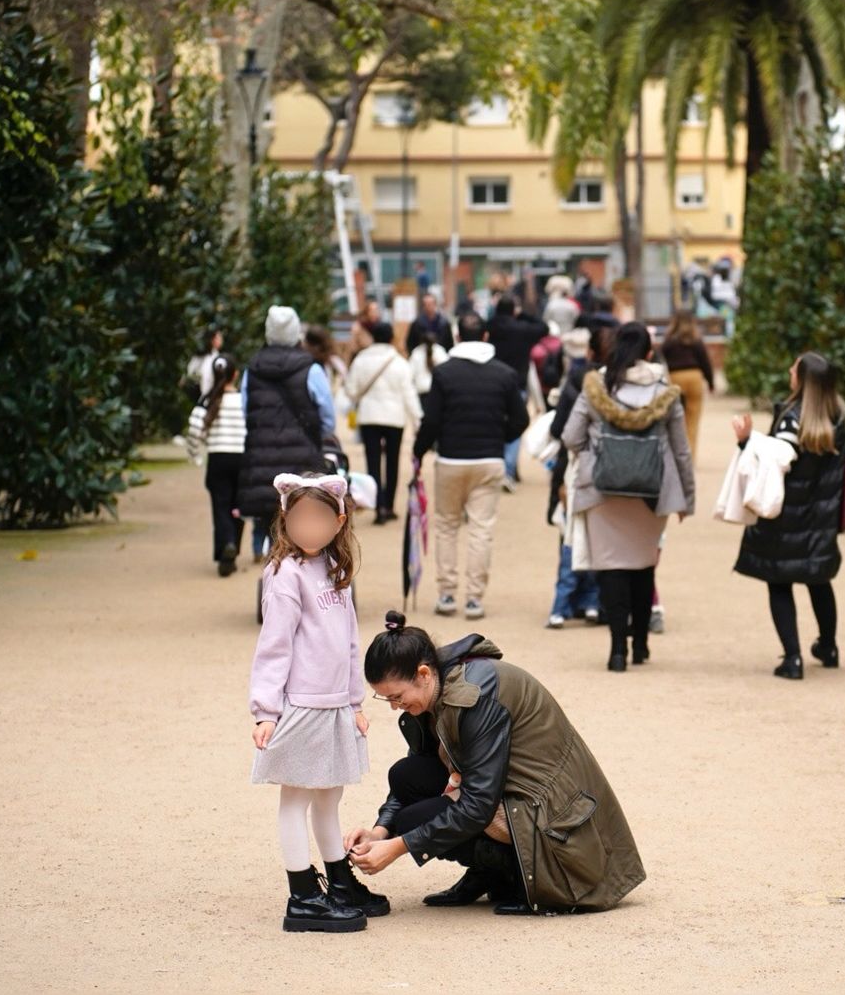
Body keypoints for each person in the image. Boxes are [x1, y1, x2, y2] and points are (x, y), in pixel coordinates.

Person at [345, 612, 645, 915]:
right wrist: (381, 831)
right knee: (405, 775)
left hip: (555, 822)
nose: (396, 706)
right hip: (514, 794)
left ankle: (510, 873)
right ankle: (488, 870)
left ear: (423, 673)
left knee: (414, 823)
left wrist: (398, 846)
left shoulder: (474, 696)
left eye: (397, 696)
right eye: (387, 700)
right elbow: (417, 772)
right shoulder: (436, 686)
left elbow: (478, 805)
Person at [249, 473, 389, 933]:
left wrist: (354, 702)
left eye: (318, 518)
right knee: (296, 800)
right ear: (285, 521)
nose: (308, 527)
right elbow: (274, 646)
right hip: (302, 706)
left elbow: (350, 641)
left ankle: (341, 883)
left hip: (333, 706)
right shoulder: (285, 575)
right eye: (299, 518)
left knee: (329, 800)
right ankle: (303, 896)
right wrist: (266, 710)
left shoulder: (334, 569)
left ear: (338, 522)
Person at [561, 322, 696, 672]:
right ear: (650, 353)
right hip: (652, 492)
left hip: (602, 491)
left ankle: (617, 650)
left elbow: (570, 436)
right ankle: (640, 644)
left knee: (611, 569)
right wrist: (687, 499)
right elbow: (681, 450)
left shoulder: (595, 388)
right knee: (643, 566)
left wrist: (594, 452)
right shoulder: (665, 392)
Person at [732, 352, 845, 680]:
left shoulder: (790, 419)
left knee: (779, 581)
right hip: (820, 515)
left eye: (794, 368)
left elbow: (773, 464)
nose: (789, 371)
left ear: (804, 379)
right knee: (818, 579)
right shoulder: (837, 417)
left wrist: (746, 443)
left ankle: (793, 658)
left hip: (785, 516)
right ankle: (828, 646)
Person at [413, 313, 529, 621]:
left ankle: (447, 593)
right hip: (489, 459)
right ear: (487, 336)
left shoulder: (444, 373)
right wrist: (499, 439)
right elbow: (521, 419)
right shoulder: (504, 374)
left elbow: (432, 420)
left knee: (447, 526)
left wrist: (418, 451)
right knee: (481, 530)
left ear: (457, 337)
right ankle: (474, 598)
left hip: (451, 459)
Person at [237, 306, 338, 562]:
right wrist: (315, 437)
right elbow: (327, 418)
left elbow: (246, 412)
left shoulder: (252, 370)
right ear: (296, 333)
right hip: (302, 462)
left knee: (268, 517)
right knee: (301, 518)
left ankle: (271, 575)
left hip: (261, 462)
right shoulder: (311, 370)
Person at [544, 327, 603, 629]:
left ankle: (564, 605)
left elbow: (561, 432)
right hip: (604, 476)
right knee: (597, 541)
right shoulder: (612, 386)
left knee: (569, 542)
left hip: (573, 472)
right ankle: (592, 601)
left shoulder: (576, 382)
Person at [344, 321, 421, 524]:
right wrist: (418, 420)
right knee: (393, 461)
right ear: (391, 338)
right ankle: (389, 505)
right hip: (394, 418)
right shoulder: (399, 362)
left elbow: (351, 390)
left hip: (369, 416)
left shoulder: (361, 359)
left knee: (373, 463)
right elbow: (409, 394)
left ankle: (377, 506)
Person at [186, 355, 246, 576]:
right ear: (235, 374)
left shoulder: (207, 400)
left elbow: (193, 431)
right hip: (241, 459)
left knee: (220, 506)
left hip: (218, 459)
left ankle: (225, 546)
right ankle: (233, 548)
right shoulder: (244, 400)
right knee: (237, 507)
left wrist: (196, 457)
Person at [486, 295, 548, 488]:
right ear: (514, 310)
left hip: (491, 382)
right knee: (516, 426)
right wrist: (524, 315)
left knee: (493, 426)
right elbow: (544, 327)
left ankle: (496, 467)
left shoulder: (490, 326)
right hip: (517, 383)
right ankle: (509, 470)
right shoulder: (523, 329)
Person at [659, 310, 714, 460]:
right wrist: (710, 382)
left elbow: (660, 358)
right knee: (692, 420)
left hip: (676, 378)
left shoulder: (669, 341)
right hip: (694, 377)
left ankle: (677, 455)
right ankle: (690, 458)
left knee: (677, 419)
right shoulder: (696, 341)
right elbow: (705, 363)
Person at [185, 326, 224, 402]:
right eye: (219, 337)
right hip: (205, 396)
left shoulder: (214, 355)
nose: (221, 340)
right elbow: (206, 380)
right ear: (212, 340)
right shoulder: (210, 358)